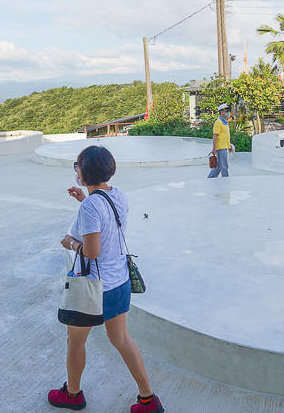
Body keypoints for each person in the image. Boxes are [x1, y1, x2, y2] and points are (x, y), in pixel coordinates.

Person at [49, 146, 163, 413]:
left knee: (75, 341)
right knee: (122, 339)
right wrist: (85, 200)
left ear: (85, 171)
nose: (76, 171)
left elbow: (91, 251)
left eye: (77, 166)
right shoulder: (118, 195)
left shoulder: (91, 205)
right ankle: (148, 399)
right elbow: (105, 218)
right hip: (120, 281)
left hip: (95, 289)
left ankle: (73, 394)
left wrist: (70, 243)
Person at [207, 103, 234, 178]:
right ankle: (226, 180)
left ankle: (210, 178)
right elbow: (215, 136)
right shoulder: (218, 122)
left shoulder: (225, 122)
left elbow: (225, 136)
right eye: (226, 111)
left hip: (224, 147)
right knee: (224, 166)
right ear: (221, 112)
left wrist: (229, 146)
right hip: (220, 148)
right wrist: (214, 149)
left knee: (218, 166)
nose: (228, 113)